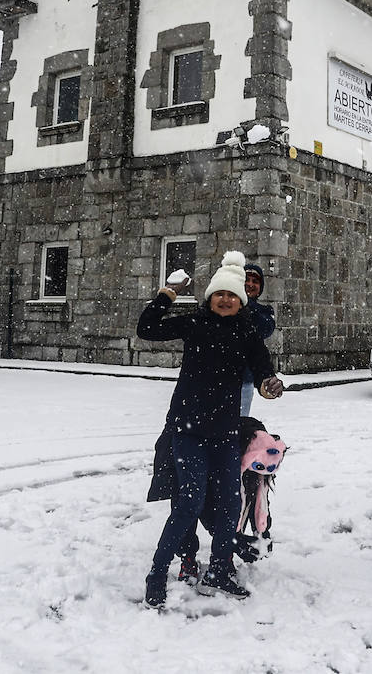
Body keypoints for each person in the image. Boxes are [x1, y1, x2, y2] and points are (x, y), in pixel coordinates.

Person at [139, 251, 284, 608]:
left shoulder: (246, 331)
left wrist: (269, 383)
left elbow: (263, 367)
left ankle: (221, 568)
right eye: (220, 293)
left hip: (223, 433)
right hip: (187, 431)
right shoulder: (194, 324)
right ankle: (157, 572)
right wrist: (167, 294)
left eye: (232, 295)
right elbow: (147, 329)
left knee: (229, 504)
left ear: (241, 302)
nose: (225, 299)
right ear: (210, 297)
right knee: (188, 503)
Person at [241, 262, 277, 415]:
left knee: (238, 425)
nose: (250, 284)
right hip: (218, 380)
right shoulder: (225, 306)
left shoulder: (263, 311)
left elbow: (265, 329)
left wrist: (245, 303)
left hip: (245, 381)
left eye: (255, 281)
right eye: (246, 280)